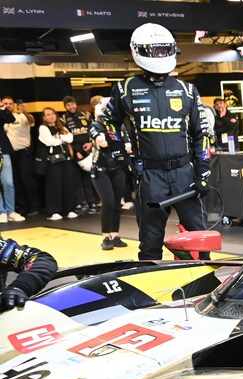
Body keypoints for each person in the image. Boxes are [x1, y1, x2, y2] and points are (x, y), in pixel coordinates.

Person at [105, 23, 211, 260]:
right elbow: (109, 123)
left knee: (198, 240)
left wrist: (203, 173)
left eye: (164, 50)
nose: (160, 56)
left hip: (185, 173)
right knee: (150, 245)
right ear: (138, 51)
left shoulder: (188, 90)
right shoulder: (125, 89)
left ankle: (205, 288)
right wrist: (122, 156)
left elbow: (201, 134)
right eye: (155, 51)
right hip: (151, 177)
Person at [90, 98, 131, 251]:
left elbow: (128, 146)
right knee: (108, 202)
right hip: (100, 169)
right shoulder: (95, 126)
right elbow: (103, 143)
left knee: (117, 203)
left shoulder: (119, 127)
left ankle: (115, 234)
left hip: (117, 168)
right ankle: (105, 236)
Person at [37, 108, 77, 221]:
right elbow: (49, 141)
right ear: (44, 117)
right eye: (48, 115)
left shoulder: (61, 127)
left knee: (68, 184)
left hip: (66, 159)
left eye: (52, 114)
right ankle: (54, 211)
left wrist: (59, 138)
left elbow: (71, 138)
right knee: (54, 186)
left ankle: (69, 209)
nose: (51, 116)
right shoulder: (43, 128)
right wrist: (62, 139)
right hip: (53, 161)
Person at [61, 95, 98, 215]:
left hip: (88, 151)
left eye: (72, 104)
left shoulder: (86, 115)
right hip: (74, 152)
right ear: (65, 107)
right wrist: (76, 151)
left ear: (76, 104)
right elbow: (65, 138)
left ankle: (92, 203)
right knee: (76, 179)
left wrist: (91, 144)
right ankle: (81, 203)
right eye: (68, 105)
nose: (71, 106)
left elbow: (94, 130)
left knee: (88, 179)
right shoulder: (63, 119)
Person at [1, 97, 37, 219]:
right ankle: (17, 208)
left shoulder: (20, 116)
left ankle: (33, 206)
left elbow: (31, 121)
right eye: (5, 103)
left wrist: (25, 112)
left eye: (10, 104)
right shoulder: (3, 119)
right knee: (14, 182)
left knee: (22, 180)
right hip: (9, 153)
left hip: (21, 152)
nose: (8, 105)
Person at [0, 101, 17, 224]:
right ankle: (1, 211)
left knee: (8, 183)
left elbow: (10, 118)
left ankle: (11, 211)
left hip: (3, 151)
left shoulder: (1, 111)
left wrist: (2, 107)